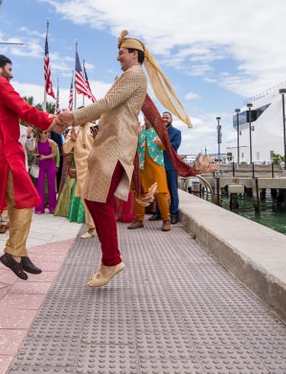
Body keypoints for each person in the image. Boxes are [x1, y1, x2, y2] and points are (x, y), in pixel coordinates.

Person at [57, 31, 192, 287]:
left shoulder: (135, 76)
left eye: (121, 52)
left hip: (116, 147)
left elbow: (107, 103)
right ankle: (110, 260)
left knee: (97, 200)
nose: (117, 56)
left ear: (135, 55)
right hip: (110, 145)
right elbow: (108, 107)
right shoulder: (130, 77)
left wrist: (73, 116)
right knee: (95, 198)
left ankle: (111, 261)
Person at [0, 54, 55, 280]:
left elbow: (15, 113)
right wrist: (52, 120)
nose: (12, 73)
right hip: (3, 152)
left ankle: (20, 252)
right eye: (10, 68)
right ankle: (13, 251)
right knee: (25, 199)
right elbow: (23, 108)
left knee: (20, 202)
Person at [130, 117, 172, 231]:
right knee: (139, 193)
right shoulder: (140, 130)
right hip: (141, 166)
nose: (147, 117)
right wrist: (134, 135)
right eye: (145, 115)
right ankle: (139, 220)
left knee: (161, 193)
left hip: (157, 166)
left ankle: (166, 220)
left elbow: (167, 146)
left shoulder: (160, 130)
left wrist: (161, 144)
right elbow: (132, 147)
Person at [62, 120, 98, 239]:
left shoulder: (94, 127)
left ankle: (99, 227)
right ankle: (92, 227)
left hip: (96, 167)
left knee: (98, 198)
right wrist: (72, 139)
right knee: (86, 198)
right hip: (82, 170)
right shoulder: (74, 130)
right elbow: (66, 150)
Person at [162, 111, 182, 224]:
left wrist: (162, 142)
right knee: (161, 191)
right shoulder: (157, 132)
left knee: (173, 191)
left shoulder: (176, 132)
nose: (164, 119)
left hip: (171, 166)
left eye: (167, 117)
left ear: (171, 120)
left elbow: (175, 146)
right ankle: (159, 213)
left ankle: (174, 215)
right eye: (163, 117)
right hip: (159, 165)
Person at [33, 127, 59, 214]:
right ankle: (39, 207)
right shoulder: (36, 142)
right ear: (40, 134)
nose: (46, 134)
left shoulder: (50, 142)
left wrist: (45, 157)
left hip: (50, 164)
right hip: (40, 164)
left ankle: (52, 207)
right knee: (39, 185)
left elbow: (54, 153)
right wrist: (37, 155)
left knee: (51, 185)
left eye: (47, 133)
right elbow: (33, 152)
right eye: (44, 133)